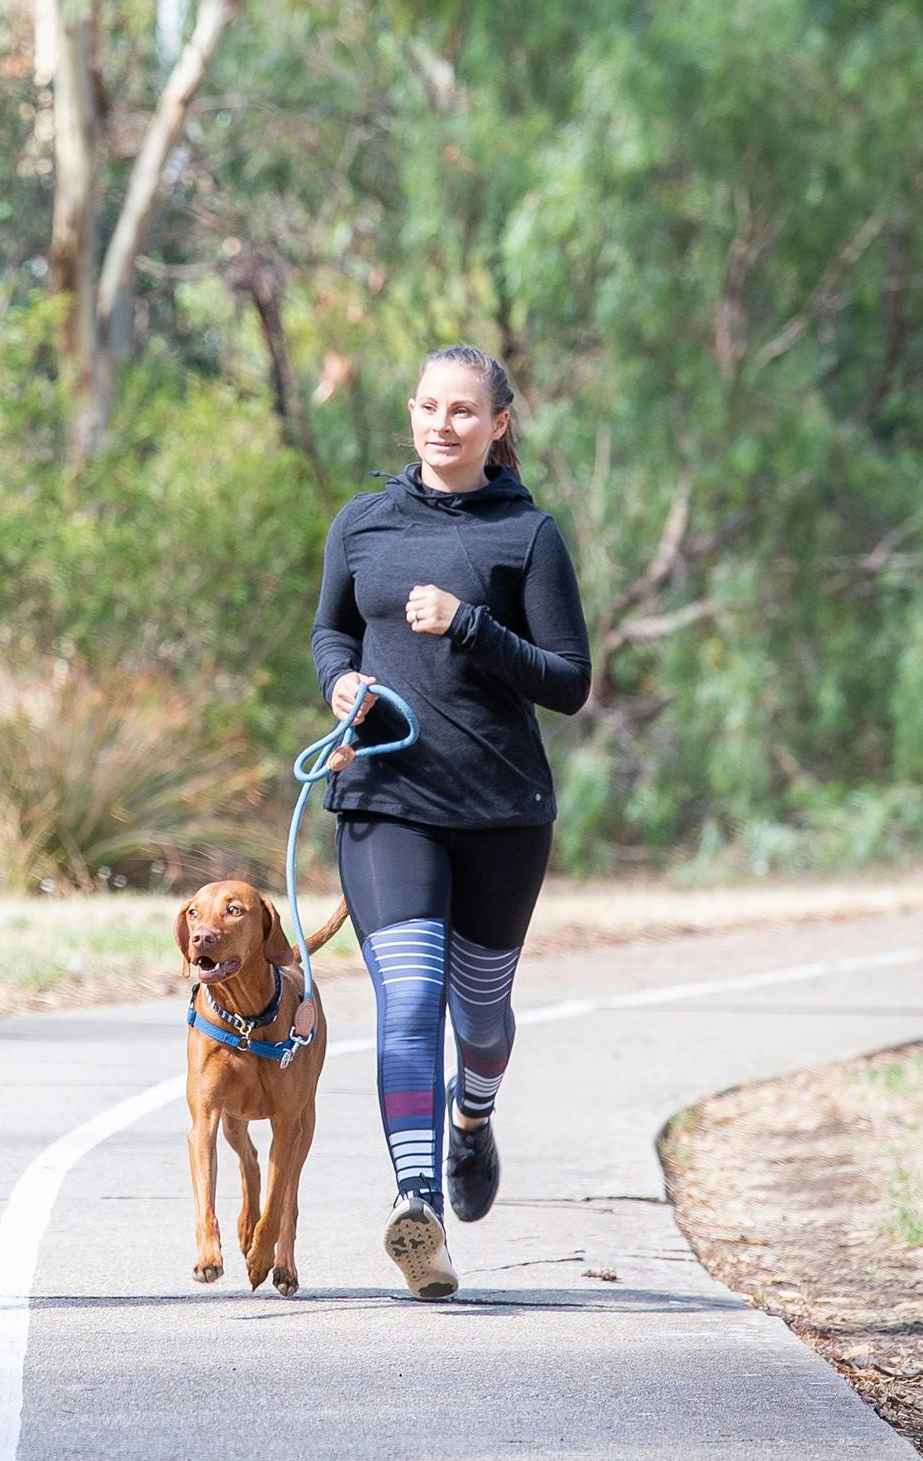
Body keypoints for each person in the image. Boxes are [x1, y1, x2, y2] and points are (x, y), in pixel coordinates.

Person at [310, 344, 590, 1300]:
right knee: (406, 995)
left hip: (501, 810)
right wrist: (338, 680)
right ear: (411, 414)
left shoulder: (527, 533)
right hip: (386, 799)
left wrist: (470, 623)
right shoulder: (363, 520)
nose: (443, 424)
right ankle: (415, 1204)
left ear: (498, 424)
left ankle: (473, 1115)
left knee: (478, 1014)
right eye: (429, 406)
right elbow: (329, 629)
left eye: (464, 410)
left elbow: (569, 681)